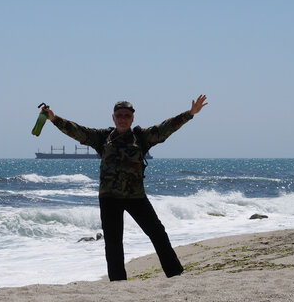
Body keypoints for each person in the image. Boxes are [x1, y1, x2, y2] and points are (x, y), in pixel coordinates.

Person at [41, 95, 207, 281]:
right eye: (119, 115)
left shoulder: (142, 137)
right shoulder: (102, 138)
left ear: (132, 118)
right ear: (113, 117)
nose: (122, 118)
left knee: (158, 234)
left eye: (127, 115)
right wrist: (54, 119)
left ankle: (175, 273)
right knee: (113, 243)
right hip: (109, 198)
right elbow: (77, 131)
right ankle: (118, 284)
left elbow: (165, 128)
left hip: (136, 197)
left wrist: (190, 113)